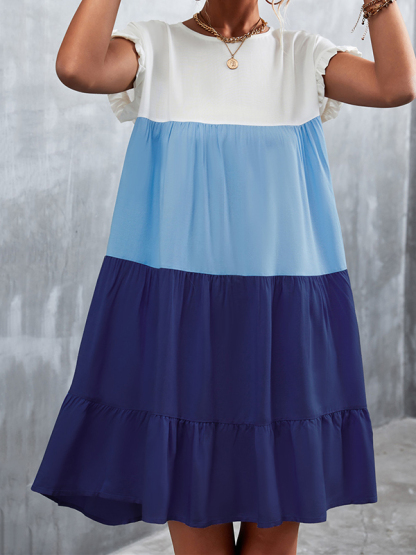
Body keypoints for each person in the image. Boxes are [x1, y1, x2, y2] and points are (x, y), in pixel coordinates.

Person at [30, 0, 416, 554]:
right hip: (180, 316)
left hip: (283, 314)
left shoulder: (301, 56)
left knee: (275, 532)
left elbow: (397, 86)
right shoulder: (155, 47)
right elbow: (77, 68)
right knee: (196, 525)